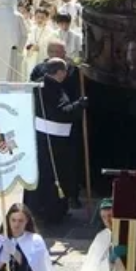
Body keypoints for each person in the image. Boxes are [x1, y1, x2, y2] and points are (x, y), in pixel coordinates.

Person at [28, 59, 86, 222]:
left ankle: (40, 208)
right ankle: (51, 212)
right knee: (53, 176)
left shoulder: (40, 83)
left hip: (43, 138)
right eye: (65, 71)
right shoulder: (51, 87)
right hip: (54, 142)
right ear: (59, 72)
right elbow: (62, 112)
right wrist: (79, 105)